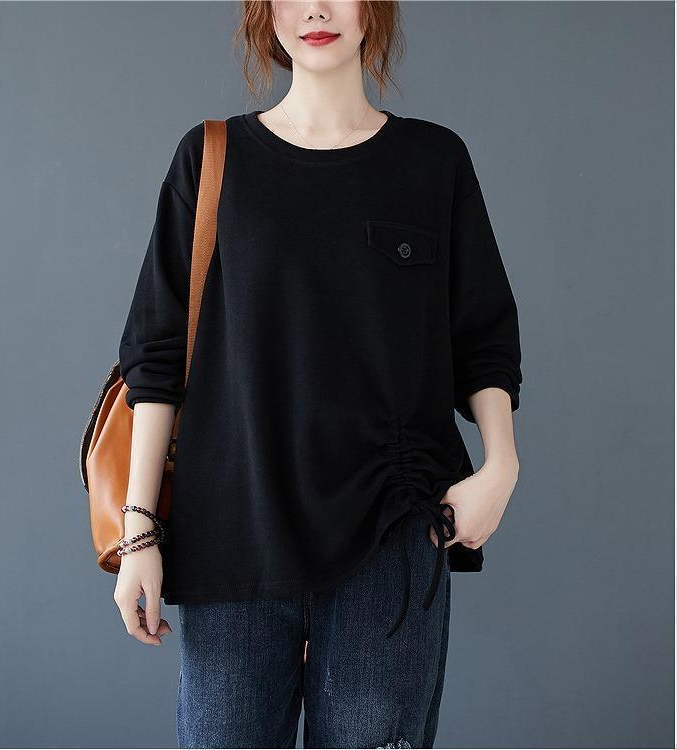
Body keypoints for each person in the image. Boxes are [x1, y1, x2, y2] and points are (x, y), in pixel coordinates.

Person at [112, 1, 522, 747]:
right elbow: (157, 356)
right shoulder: (210, 159)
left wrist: (501, 465)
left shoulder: (432, 161)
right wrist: (138, 530)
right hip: (234, 531)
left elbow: (483, 336)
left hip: (390, 537)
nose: (316, 10)